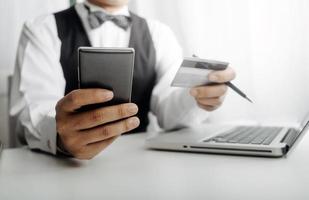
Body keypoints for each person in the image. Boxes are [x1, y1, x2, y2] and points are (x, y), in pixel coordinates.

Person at [10, 0, 235, 159]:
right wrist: (60, 136)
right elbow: (33, 111)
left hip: (142, 164)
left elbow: (168, 110)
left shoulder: (160, 33)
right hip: (65, 168)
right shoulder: (41, 29)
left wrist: (196, 96)